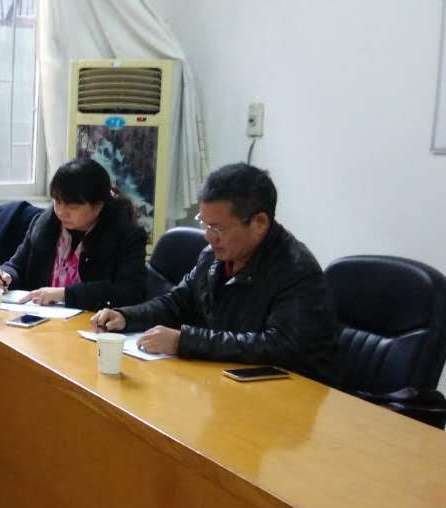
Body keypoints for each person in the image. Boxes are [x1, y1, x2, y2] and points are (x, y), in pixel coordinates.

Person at [90, 163, 336, 380]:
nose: (208, 237)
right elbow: (177, 302)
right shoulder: (213, 257)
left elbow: (279, 347)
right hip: (222, 380)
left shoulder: (297, 271)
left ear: (259, 223)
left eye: (218, 228)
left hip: (286, 395)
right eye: (204, 224)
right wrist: (126, 316)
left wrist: (184, 341)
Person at [0, 157, 149, 311]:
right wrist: (4, 276)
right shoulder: (44, 224)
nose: (61, 212)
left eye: (73, 207)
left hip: (91, 323)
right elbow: (17, 265)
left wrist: (65, 294)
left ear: (98, 206)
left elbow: (130, 291)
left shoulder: (126, 236)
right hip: (39, 319)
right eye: (57, 202)